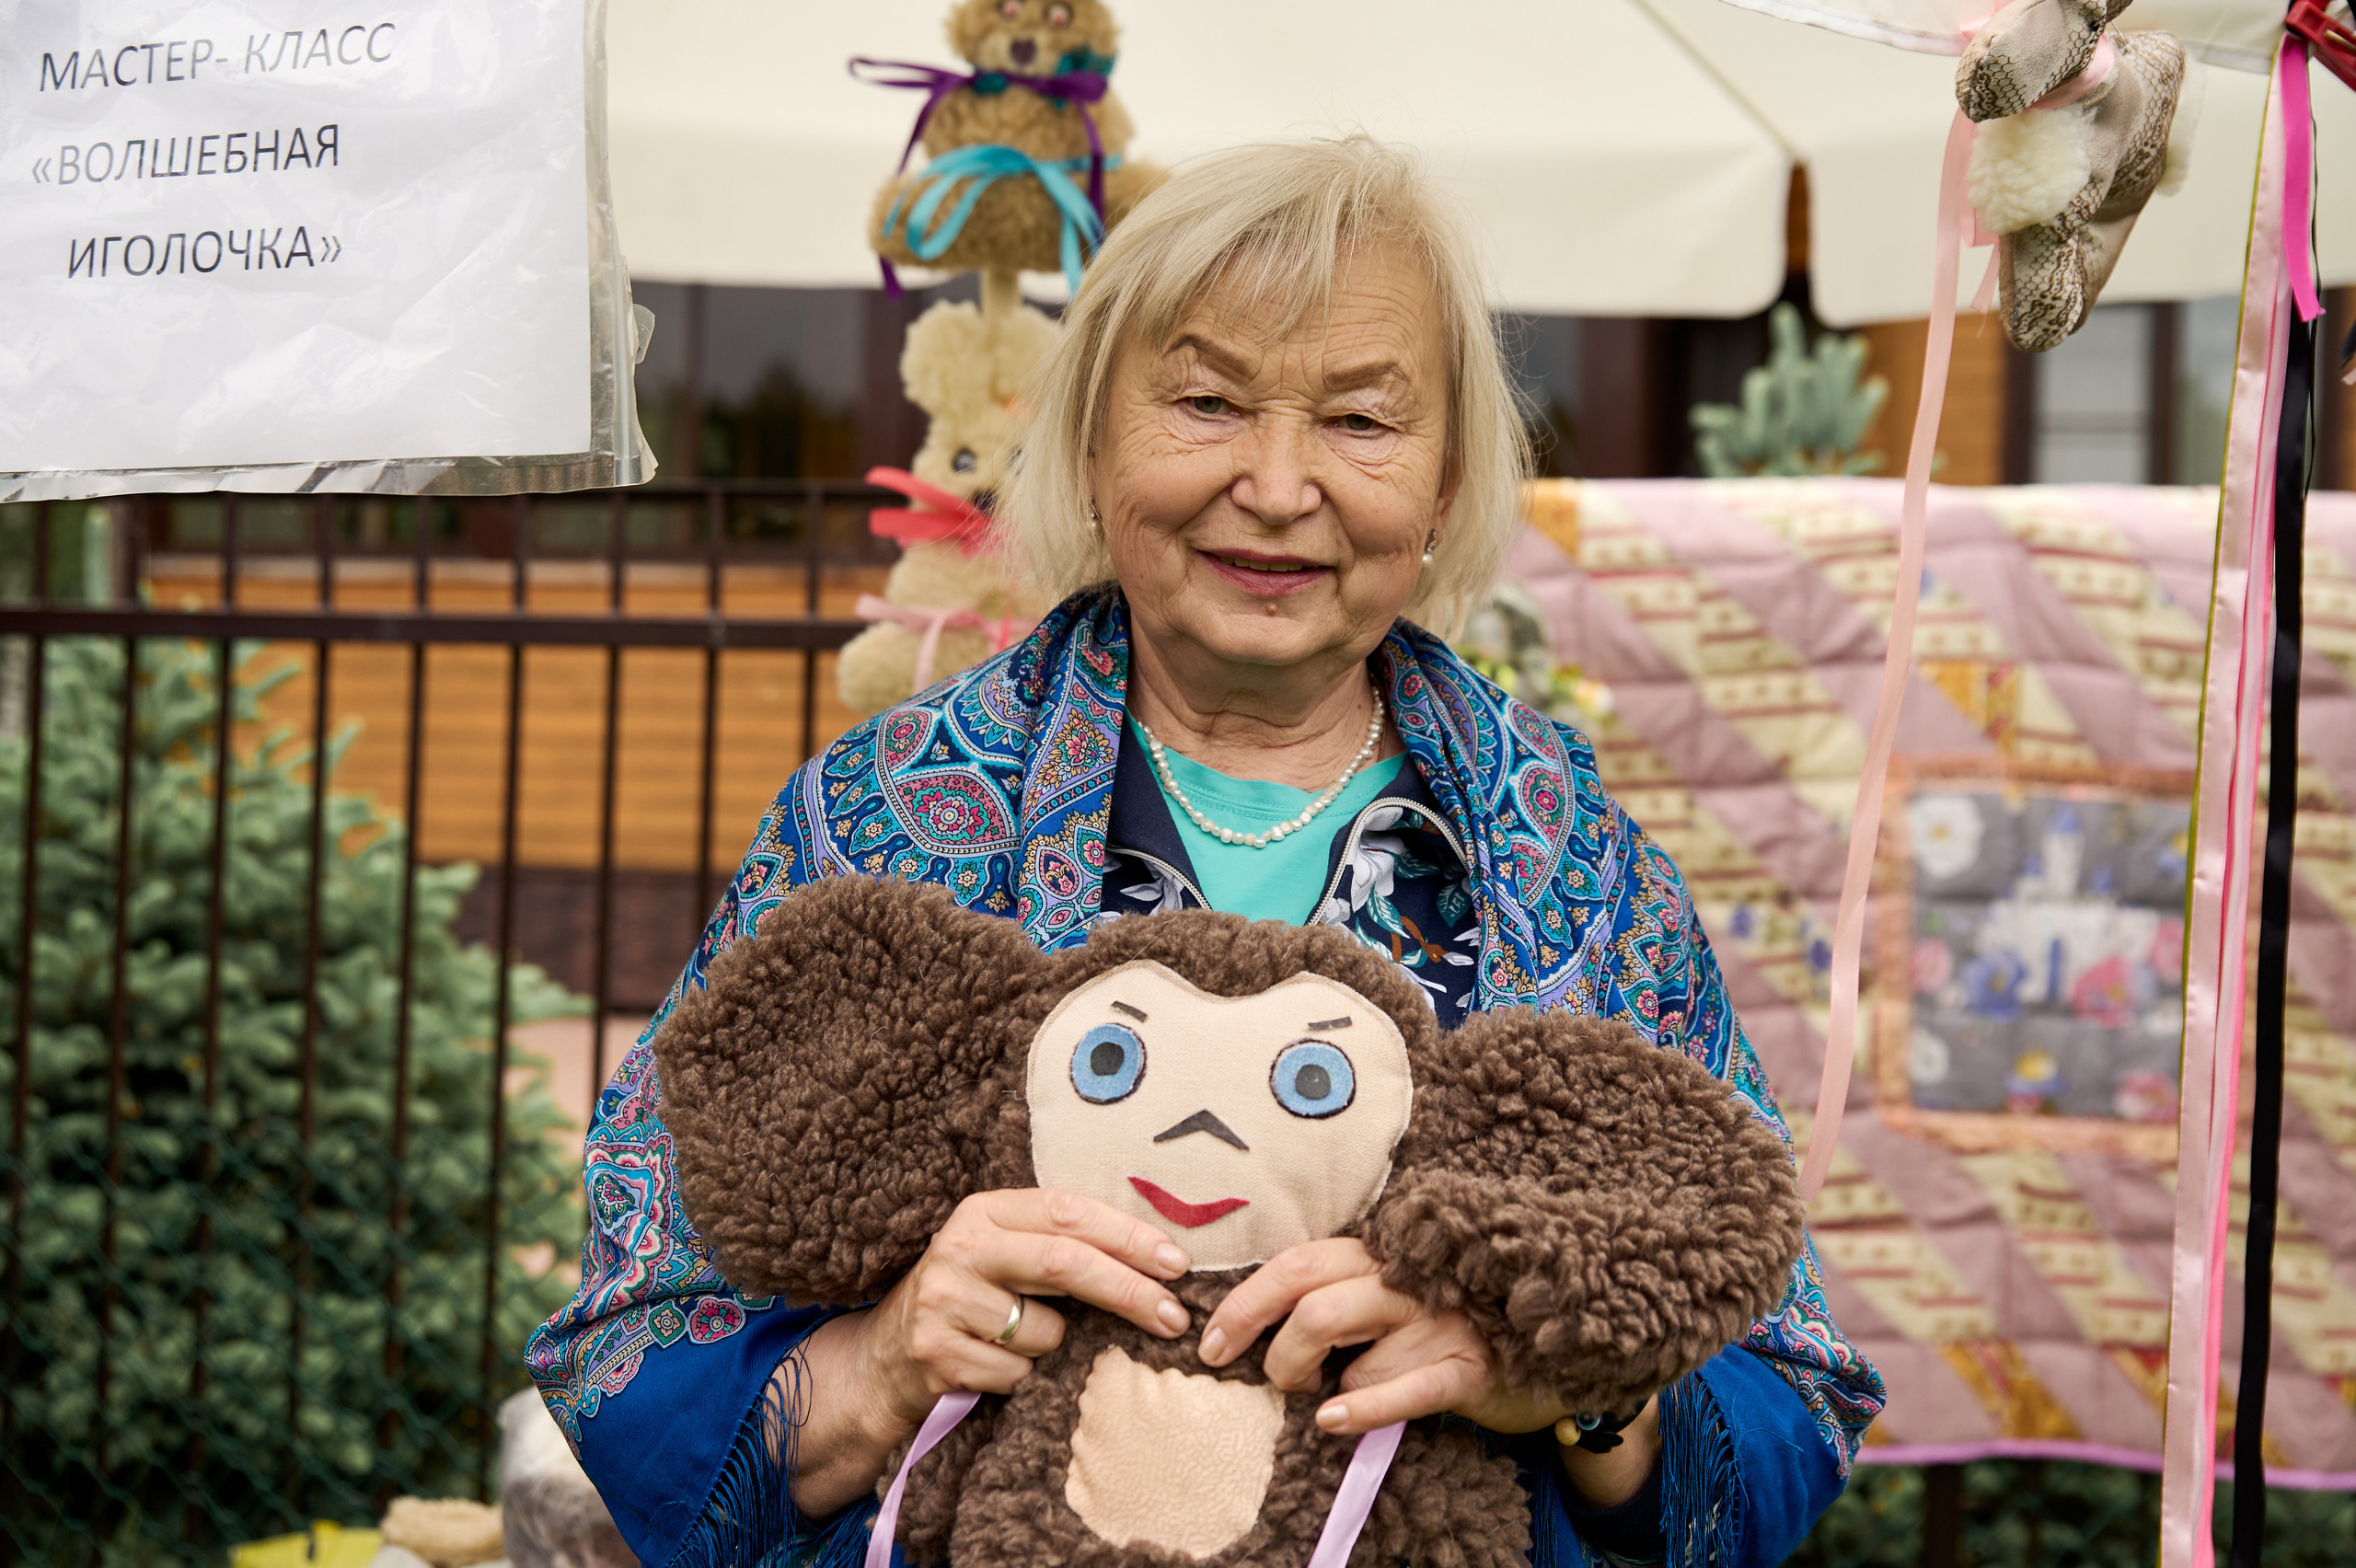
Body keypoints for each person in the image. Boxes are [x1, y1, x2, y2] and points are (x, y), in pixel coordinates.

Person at [527, 135, 1884, 1568]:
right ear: (1097, 439)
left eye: (1362, 422)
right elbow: (636, 1345)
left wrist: (1572, 1389)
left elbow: (1789, 1393)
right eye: (1207, 401)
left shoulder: (1575, 868)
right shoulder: (881, 819)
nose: (1280, 482)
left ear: (1443, 486)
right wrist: (880, 1364)